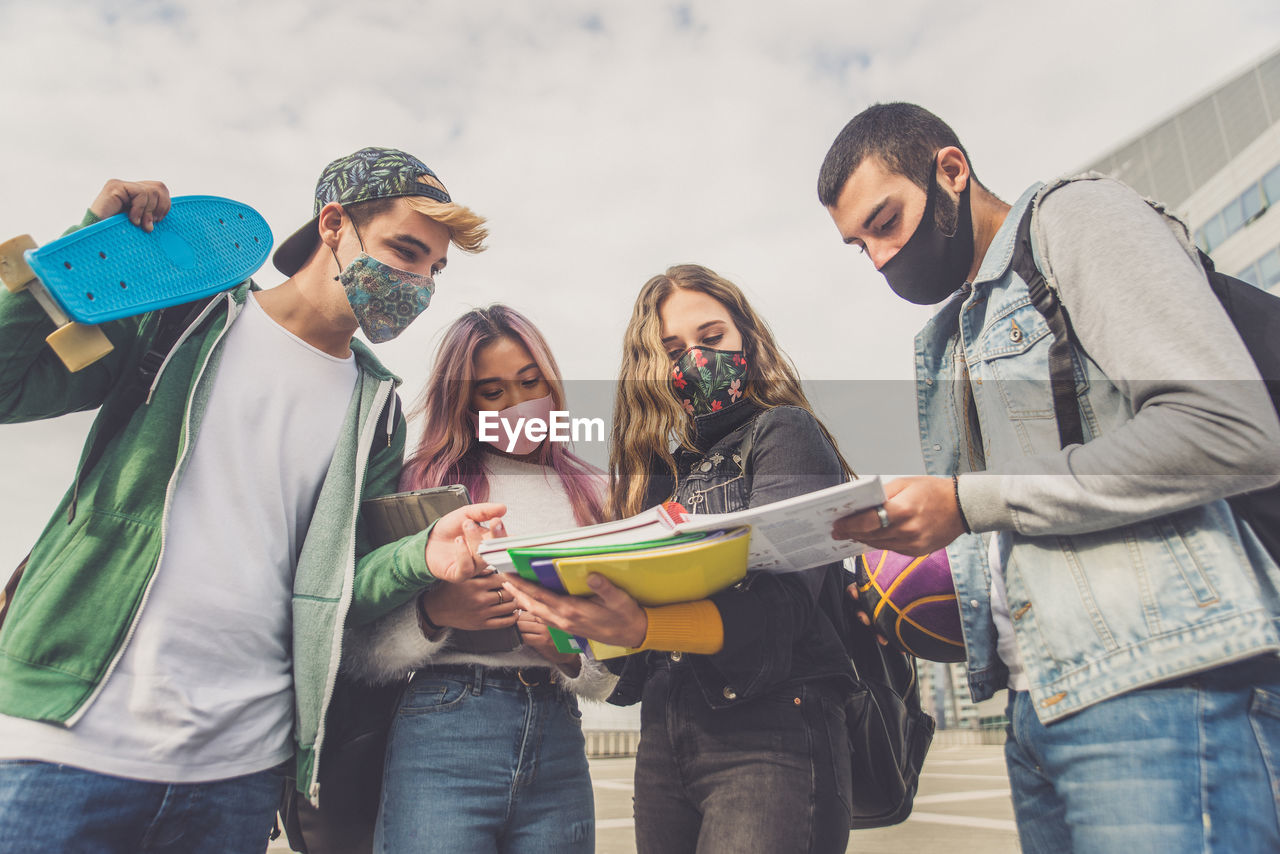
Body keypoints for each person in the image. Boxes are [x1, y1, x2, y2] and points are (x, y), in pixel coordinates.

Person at [0, 148, 503, 854]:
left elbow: (340, 593)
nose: (418, 282)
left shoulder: (378, 410)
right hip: (67, 737)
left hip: (237, 774)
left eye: (434, 270)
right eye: (406, 251)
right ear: (335, 223)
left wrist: (420, 556)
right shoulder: (186, 314)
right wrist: (84, 253)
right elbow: (7, 384)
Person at [817, 102, 1280, 852]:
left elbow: (1228, 430)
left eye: (886, 221)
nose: (878, 258)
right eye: (857, 245)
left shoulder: (1077, 218)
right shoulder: (953, 335)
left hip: (1161, 683)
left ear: (952, 171)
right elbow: (1018, 526)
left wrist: (966, 502)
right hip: (1039, 703)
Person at [504, 264, 859, 854]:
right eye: (672, 348)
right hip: (666, 734)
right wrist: (568, 637)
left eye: (712, 337)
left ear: (748, 336)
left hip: (771, 730)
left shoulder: (785, 433)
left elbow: (784, 612)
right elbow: (630, 663)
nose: (695, 358)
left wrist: (644, 625)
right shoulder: (659, 477)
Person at [342, 304, 615, 853]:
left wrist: (568, 654)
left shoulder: (597, 491)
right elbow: (353, 650)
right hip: (442, 728)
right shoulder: (419, 484)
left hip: (560, 733)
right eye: (492, 391)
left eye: (529, 381)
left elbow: (616, 669)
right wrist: (435, 615)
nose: (517, 404)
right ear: (463, 400)